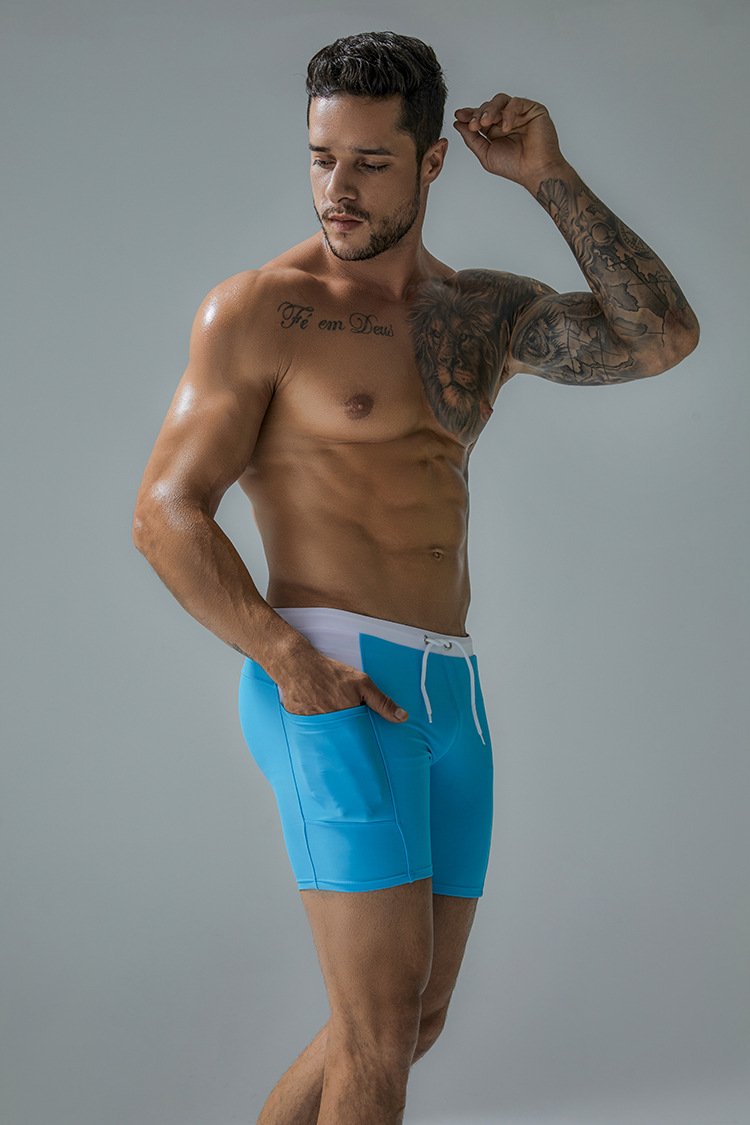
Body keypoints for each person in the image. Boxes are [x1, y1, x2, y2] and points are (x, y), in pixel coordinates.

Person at [132, 30, 699, 1125]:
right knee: (379, 1033)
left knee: (412, 1019)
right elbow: (165, 512)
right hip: (332, 680)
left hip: (450, 692)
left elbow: (661, 337)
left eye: (370, 162)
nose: (336, 190)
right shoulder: (261, 309)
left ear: (432, 162)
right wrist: (287, 659)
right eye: (321, 158)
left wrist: (549, 177)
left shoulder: (475, 314)